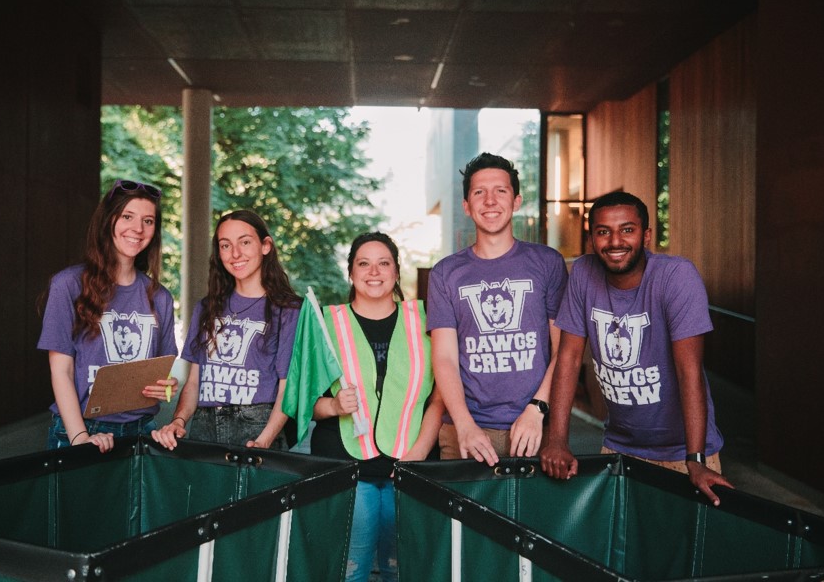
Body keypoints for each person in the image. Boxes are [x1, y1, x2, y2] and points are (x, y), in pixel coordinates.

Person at [539, 191, 734, 506]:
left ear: (646, 236)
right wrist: (558, 441)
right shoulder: (583, 275)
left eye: (627, 230)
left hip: (682, 452)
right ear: (592, 239)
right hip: (619, 447)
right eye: (604, 232)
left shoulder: (676, 276)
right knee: (618, 551)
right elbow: (569, 358)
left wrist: (695, 459)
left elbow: (689, 372)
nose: (615, 241)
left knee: (682, 552)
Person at [287, 232, 443, 582]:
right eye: (363, 263)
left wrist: (418, 452)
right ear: (350, 272)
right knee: (350, 569)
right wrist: (332, 405)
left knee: (402, 569)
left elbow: (440, 397)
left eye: (383, 262)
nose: (374, 271)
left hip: (411, 461)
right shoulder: (326, 323)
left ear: (396, 271)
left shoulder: (425, 321)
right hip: (346, 461)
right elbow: (302, 402)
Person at [427, 152, 568, 466]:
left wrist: (538, 409)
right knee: (462, 517)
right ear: (466, 206)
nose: (490, 200)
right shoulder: (445, 274)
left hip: (534, 427)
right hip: (466, 430)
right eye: (479, 192)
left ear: (516, 201)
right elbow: (445, 358)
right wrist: (464, 424)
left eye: (500, 191)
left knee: (534, 517)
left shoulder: (547, 263)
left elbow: (565, 349)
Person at [38, 179, 179, 453]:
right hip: (81, 429)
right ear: (108, 222)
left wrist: (168, 387)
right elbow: (61, 370)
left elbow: (162, 375)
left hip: (141, 430)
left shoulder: (160, 297)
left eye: (148, 221)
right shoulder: (68, 284)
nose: (138, 229)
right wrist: (80, 438)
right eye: (128, 216)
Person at [152, 210, 301, 450]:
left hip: (258, 426)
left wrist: (264, 441)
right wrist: (178, 421)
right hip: (204, 426)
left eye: (245, 242)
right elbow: (194, 382)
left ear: (265, 246)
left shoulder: (288, 310)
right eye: (225, 245)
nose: (235, 254)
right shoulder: (207, 307)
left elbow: (288, 390)